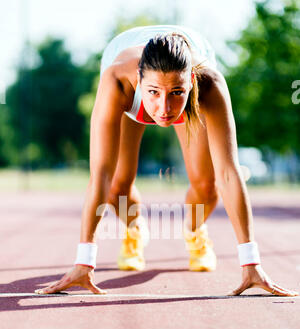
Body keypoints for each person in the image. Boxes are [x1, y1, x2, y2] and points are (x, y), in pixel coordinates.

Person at [35, 24, 299, 297]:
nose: (164, 109)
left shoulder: (209, 83)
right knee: (115, 185)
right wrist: (84, 260)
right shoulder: (117, 80)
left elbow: (229, 173)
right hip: (127, 72)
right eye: (153, 93)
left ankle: (195, 231)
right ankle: (134, 229)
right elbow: (99, 173)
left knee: (207, 186)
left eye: (176, 93)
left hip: (189, 69)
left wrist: (251, 262)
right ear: (139, 80)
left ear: (191, 83)